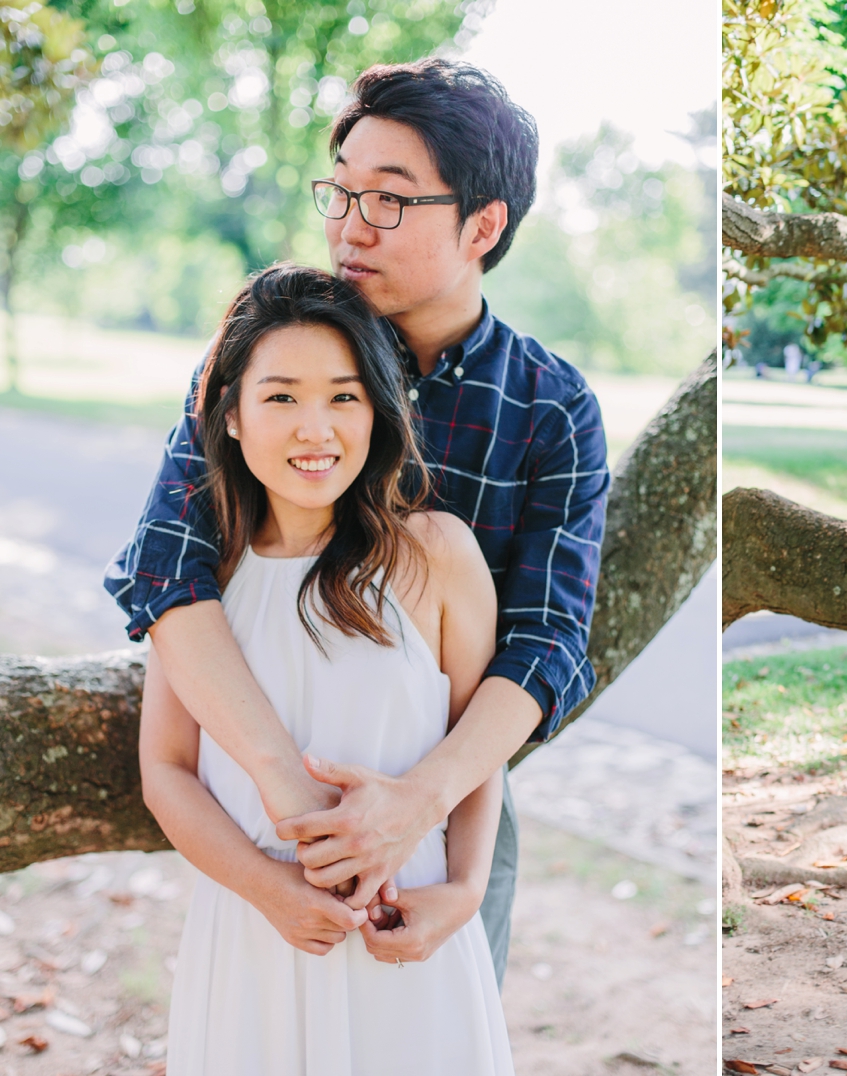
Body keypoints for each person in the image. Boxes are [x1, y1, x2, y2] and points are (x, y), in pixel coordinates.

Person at [105, 59, 608, 983]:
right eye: (339, 193)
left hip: (453, 796)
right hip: (267, 791)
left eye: (388, 200)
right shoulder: (268, 352)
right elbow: (168, 566)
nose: (347, 226)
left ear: (483, 226)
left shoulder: (548, 408)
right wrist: (288, 791)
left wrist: (419, 803)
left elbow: (546, 645)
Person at [140, 263, 513, 1074]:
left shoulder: (438, 554)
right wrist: (268, 889)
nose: (316, 429)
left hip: (406, 927)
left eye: (344, 396)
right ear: (229, 415)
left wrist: (465, 888)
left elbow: (478, 746)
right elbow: (166, 772)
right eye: (280, 397)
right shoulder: (199, 579)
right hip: (253, 928)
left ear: (378, 412)